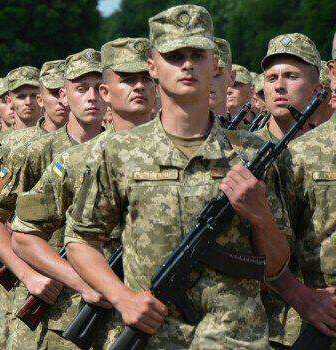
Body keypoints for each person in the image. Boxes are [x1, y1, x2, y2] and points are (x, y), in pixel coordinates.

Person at [65, 5, 291, 348]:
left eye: (197, 54)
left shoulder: (253, 153)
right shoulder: (118, 151)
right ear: (153, 67)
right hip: (156, 337)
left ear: (214, 64)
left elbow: (276, 266)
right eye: (174, 55)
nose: (187, 64)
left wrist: (260, 215)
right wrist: (122, 297)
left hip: (236, 339)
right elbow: (80, 240)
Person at [11, 37, 155, 348]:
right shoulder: (75, 161)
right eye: (128, 79)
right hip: (87, 316)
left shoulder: (190, 161)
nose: (139, 87)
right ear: (109, 91)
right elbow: (22, 235)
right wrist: (84, 282)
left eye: (147, 78)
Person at [279, 16, 336, 349]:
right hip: (325, 328)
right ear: (332, 72)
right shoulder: (300, 155)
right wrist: (302, 297)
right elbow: (270, 250)